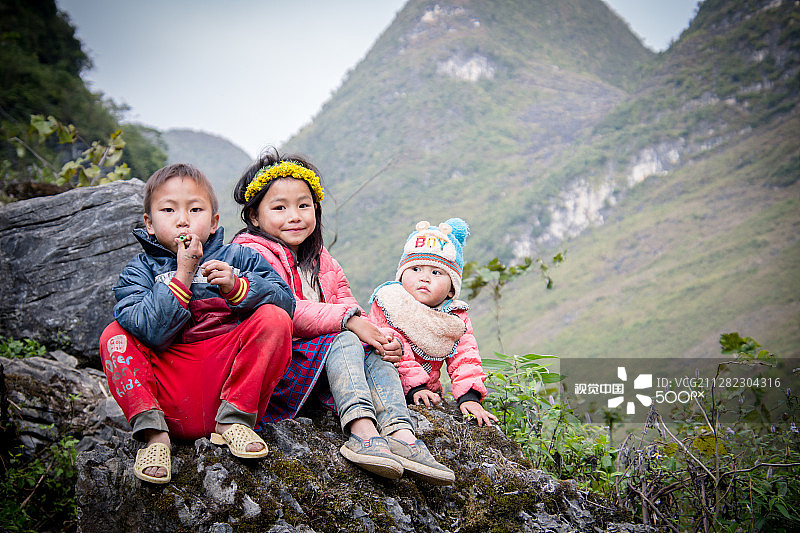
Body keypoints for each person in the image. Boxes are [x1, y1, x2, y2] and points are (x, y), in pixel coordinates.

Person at [231, 148, 454, 484]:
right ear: (254, 216)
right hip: (279, 368)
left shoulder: (320, 257)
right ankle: (362, 431)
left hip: (320, 366)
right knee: (347, 338)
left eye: (304, 205)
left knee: (372, 351)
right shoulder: (251, 253)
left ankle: (400, 432)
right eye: (279, 207)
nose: (295, 216)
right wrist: (351, 321)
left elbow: (346, 301)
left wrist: (380, 339)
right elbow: (286, 309)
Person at [99, 163, 295, 484]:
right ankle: (154, 437)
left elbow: (286, 303)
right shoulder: (138, 272)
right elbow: (151, 332)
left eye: (195, 208)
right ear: (148, 223)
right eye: (168, 209)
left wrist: (237, 287)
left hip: (226, 384)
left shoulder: (240, 258)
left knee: (273, 317)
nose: (183, 219)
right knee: (115, 336)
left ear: (214, 221)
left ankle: (234, 421)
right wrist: (183, 275)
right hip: (171, 389)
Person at [366, 218, 499, 427]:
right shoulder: (389, 302)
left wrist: (469, 397)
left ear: (451, 289)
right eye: (416, 269)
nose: (424, 278)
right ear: (401, 275)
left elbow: (465, 357)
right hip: (387, 388)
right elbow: (392, 346)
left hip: (430, 393)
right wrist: (416, 388)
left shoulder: (454, 317)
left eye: (436, 272)